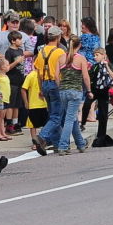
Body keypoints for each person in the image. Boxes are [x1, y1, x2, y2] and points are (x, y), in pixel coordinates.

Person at [32, 27, 67, 155]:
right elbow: (63, 71)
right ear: (58, 38)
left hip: (45, 83)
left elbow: (38, 73)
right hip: (56, 84)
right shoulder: (60, 52)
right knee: (56, 116)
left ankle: (57, 143)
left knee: (52, 114)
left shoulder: (41, 51)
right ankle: (42, 136)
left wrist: (41, 88)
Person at [55, 35, 91, 155]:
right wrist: (89, 90)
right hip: (75, 91)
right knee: (70, 119)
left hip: (63, 91)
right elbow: (85, 77)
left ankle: (81, 144)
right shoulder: (80, 58)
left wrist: (61, 87)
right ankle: (63, 145)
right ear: (79, 45)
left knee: (73, 118)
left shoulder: (61, 58)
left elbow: (56, 76)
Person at [88, 48, 113, 146]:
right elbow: (90, 77)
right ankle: (100, 135)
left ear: (103, 56)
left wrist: (106, 66)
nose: (95, 57)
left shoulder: (109, 65)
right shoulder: (94, 66)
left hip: (104, 92)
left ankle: (102, 135)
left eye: (97, 55)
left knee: (103, 114)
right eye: (94, 55)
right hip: (96, 91)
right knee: (99, 113)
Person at [3, 31, 25, 136]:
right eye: (19, 39)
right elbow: (7, 68)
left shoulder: (20, 50)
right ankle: (9, 124)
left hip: (20, 80)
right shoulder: (9, 52)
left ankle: (16, 123)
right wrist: (16, 62)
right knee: (11, 104)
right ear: (13, 41)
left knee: (17, 104)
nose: (21, 41)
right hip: (12, 80)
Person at [21, 65, 48, 149]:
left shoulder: (45, 75)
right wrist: (26, 102)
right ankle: (35, 142)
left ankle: (43, 140)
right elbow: (23, 89)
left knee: (44, 124)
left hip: (44, 104)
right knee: (33, 125)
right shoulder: (31, 75)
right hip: (34, 104)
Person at [0, 57, 12, 141]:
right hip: (0, 98)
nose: (8, 66)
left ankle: (2, 132)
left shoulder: (5, 75)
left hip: (6, 98)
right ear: (2, 67)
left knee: (2, 117)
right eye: (7, 65)